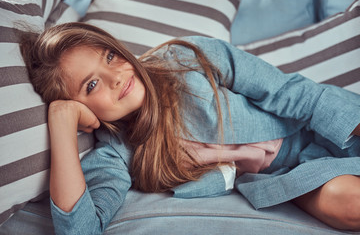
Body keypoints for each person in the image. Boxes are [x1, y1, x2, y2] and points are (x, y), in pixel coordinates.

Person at [20, 22, 360, 234]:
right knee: (351, 206)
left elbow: (295, 94)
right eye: (91, 86)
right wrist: (61, 123)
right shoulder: (115, 151)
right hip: (286, 176)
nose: (117, 77)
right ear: (81, 107)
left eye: (110, 56)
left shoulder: (186, 60)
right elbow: (80, 230)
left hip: (315, 129)